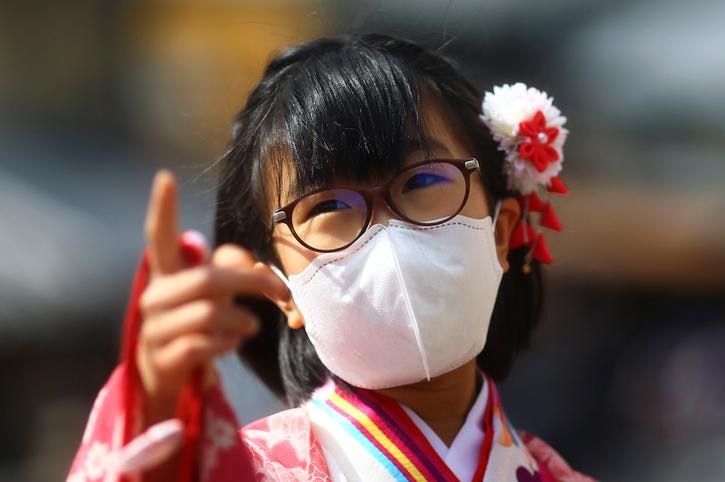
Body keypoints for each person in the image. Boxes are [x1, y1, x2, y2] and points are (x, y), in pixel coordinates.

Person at [67, 34, 594, 482]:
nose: (390, 234)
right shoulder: (244, 470)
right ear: (281, 290)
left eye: (425, 179)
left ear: (500, 235)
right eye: (329, 205)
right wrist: (157, 408)